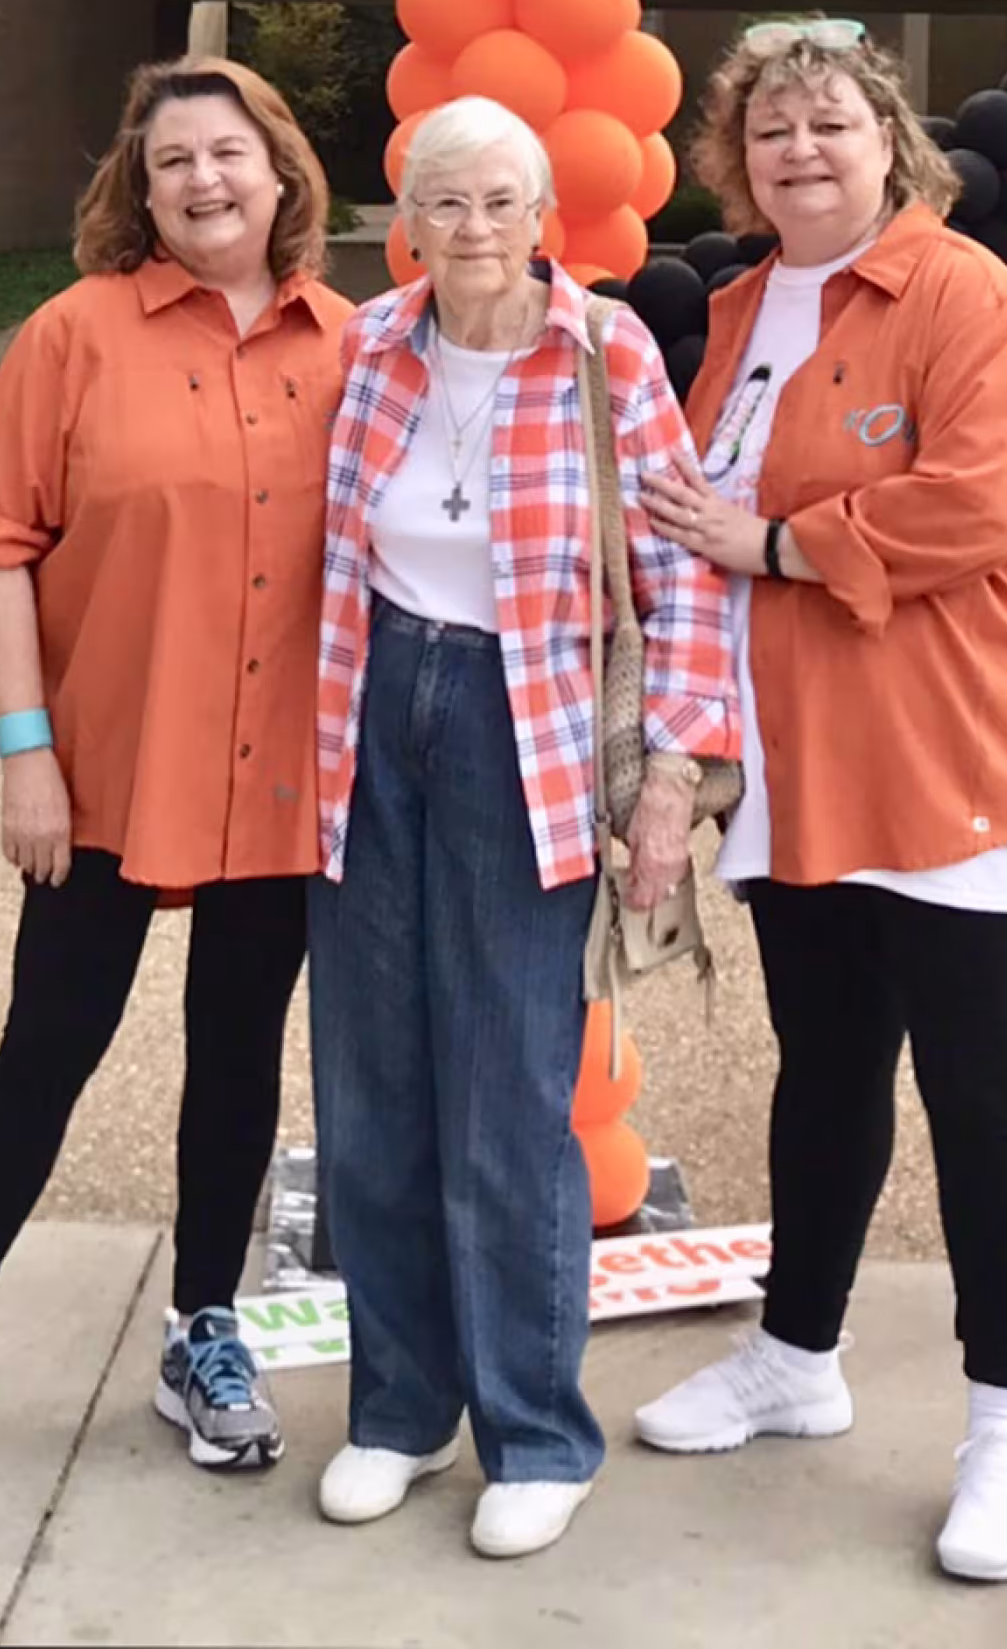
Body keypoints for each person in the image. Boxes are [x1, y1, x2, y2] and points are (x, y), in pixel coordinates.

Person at [0, 57, 354, 1486]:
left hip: (284, 780)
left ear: (281, 170)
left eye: (229, 154)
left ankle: (205, 1325)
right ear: (142, 187)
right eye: (174, 160)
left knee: (238, 1057)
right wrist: (27, 755)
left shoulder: (351, 345)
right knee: (46, 1050)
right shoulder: (73, 336)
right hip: (109, 768)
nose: (205, 181)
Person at [632, 18, 1007, 1584]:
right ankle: (797, 1354)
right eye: (771, 133)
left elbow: (980, 500)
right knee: (825, 1072)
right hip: (798, 762)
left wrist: (769, 543)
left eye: (831, 124)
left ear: (889, 142)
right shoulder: (742, 304)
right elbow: (680, 500)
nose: (803, 151)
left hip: (956, 755)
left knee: (985, 1103)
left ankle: (1004, 1427)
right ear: (736, 162)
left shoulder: (968, 292)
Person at [309, 96, 740, 1560]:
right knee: (371, 1092)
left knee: (505, 1097)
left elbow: (684, 577)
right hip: (372, 716)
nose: (474, 225)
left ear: (544, 215)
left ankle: (536, 1429)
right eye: (446, 201)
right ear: (404, 224)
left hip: (528, 729)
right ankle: (399, 1407)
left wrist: (674, 776)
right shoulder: (370, 345)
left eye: (501, 198)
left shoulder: (606, 348)